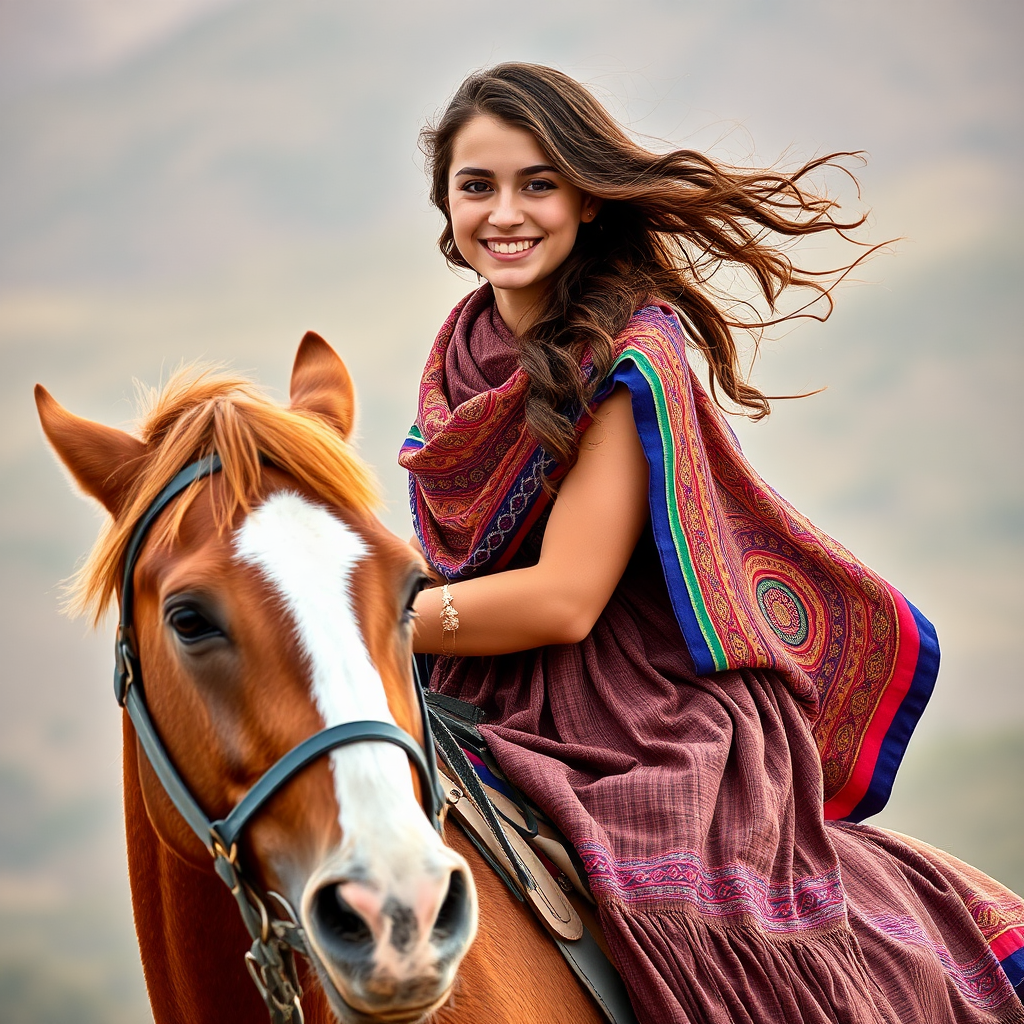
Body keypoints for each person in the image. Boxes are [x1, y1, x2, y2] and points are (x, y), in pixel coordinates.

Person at [399, 63, 1024, 1024]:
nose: (505, 213)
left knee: (685, 931)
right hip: (478, 684)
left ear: (586, 200)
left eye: (538, 183)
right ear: (446, 205)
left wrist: (380, 621)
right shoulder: (459, 352)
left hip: (637, 704)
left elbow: (567, 597)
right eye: (476, 186)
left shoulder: (628, 355)